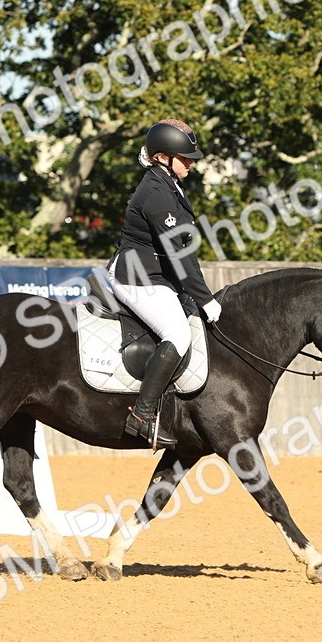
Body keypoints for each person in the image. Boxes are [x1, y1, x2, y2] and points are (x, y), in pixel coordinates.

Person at [107, 119, 222, 448]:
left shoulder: (170, 184)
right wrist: (206, 298)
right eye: (184, 157)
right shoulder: (156, 193)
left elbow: (186, 249)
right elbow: (178, 253)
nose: (191, 163)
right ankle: (141, 416)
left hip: (158, 274)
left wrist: (197, 294)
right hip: (136, 277)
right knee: (178, 333)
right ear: (161, 157)